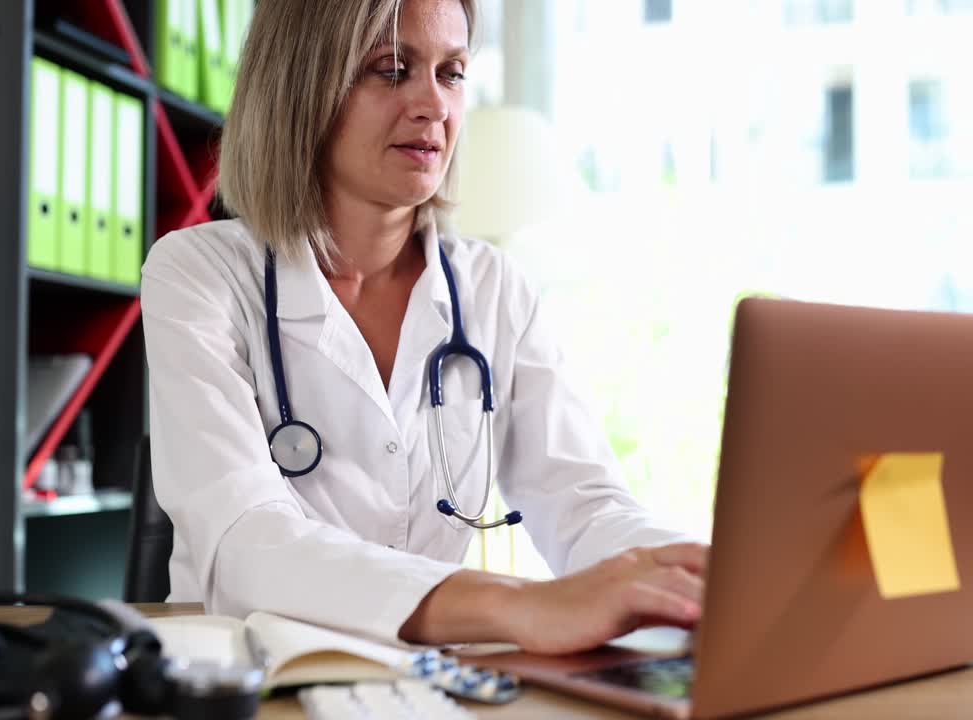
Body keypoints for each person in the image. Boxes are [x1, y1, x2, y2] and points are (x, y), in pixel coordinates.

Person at [141, 0, 707, 655]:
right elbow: (246, 543)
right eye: (392, 69)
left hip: (432, 682)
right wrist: (523, 607)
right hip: (254, 679)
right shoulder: (199, 273)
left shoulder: (495, 290)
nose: (434, 105)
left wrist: (696, 573)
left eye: (452, 72)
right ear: (302, 83)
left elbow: (583, 502)